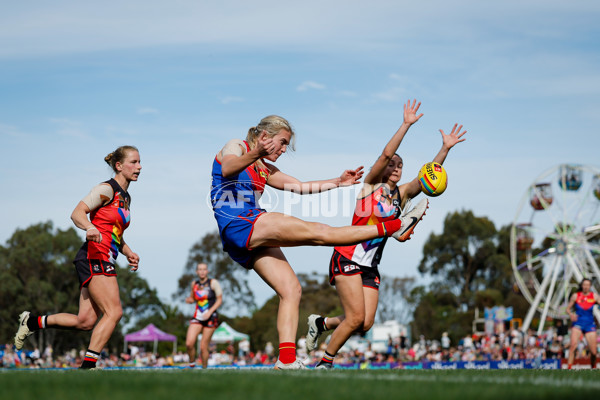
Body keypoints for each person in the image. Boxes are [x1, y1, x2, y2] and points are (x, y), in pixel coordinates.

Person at [210, 115, 429, 369]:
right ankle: (394, 226)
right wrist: (256, 151)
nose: (283, 150)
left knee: (291, 290)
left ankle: (286, 361)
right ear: (263, 137)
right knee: (321, 233)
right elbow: (227, 168)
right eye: (282, 143)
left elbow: (299, 187)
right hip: (242, 222)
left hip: (245, 235)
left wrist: (337, 182)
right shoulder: (238, 146)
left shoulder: (263, 166)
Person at [306, 101, 467, 369]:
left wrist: (444, 149)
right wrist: (406, 125)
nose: (394, 166)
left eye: (399, 164)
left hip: (370, 264)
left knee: (364, 323)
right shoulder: (370, 186)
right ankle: (325, 364)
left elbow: (428, 177)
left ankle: (321, 323)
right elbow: (384, 155)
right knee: (356, 318)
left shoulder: (400, 195)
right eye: (391, 164)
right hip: (347, 255)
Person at [14, 145, 141, 369]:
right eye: (134, 162)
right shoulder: (107, 189)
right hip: (94, 256)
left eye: (140, 163)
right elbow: (77, 213)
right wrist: (88, 227)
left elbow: (113, 234)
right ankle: (88, 367)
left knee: (85, 321)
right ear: (119, 166)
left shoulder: (126, 197)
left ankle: (32, 321)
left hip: (101, 257)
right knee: (114, 312)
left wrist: (127, 251)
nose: (139, 167)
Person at [184, 262, 223, 368]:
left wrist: (210, 312)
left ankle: (204, 369)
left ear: (207, 271)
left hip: (211, 317)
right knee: (189, 343)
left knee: (203, 346)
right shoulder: (194, 284)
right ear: (197, 272)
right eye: (200, 269)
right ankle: (192, 364)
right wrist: (189, 300)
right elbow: (193, 298)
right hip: (198, 316)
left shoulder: (213, 283)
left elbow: (219, 300)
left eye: (204, 269)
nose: (202, 271)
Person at [566, 278, 600, 369]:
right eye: (584, 285)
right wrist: (571, 314)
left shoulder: (594, 296)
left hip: (590, 324)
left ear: (590, 286)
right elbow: (567, 309)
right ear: (582, 286)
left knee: (593, 352)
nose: (585, 287)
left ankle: (593, 368)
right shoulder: (575, 296)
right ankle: (569, 369)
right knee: (573, 345)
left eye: (587, 285)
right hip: (578, 323)